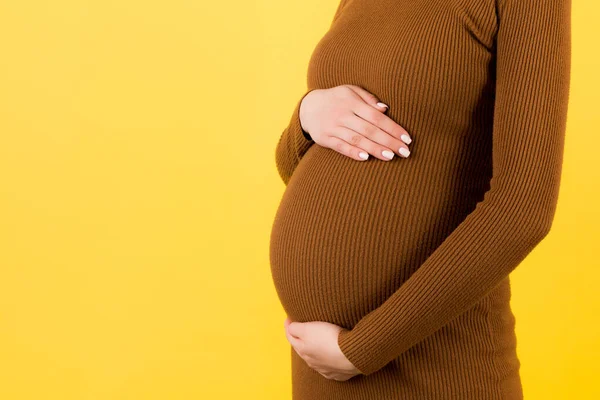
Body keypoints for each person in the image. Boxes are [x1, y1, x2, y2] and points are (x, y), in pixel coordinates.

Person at [269, 0, 571, 398]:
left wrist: (364, 347)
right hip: (321, 370)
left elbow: (523, 209)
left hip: (431, 363)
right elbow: (305, 168)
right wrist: (307, 117)